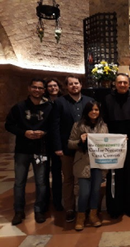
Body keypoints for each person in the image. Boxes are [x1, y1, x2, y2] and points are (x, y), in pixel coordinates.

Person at [5, 78, 53, 225]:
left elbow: (53, 126)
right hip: (23, 149)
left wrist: (44, 133)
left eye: (40, 88)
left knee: (41, 182)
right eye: (34, 87)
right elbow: (9, 125)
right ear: (29, 89)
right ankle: (18, 211)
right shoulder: (19, 107)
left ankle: (38, 210)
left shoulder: (49, 107)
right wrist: (23, 132)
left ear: (44, 90)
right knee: (19, 182)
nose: (37, 90)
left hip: (41, 149)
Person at [103, 73, 130, 219]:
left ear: (128, 84)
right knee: (115, 175)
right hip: (113, 143)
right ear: (115, 83)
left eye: (125, 83)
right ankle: (115, 208)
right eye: (119, 82)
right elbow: (104, 122)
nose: (122, 85)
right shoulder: (108, 100)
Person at [52, 75, 93, 223]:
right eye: (71, 84)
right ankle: (69, 208)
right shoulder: (59, 102)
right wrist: (58, 147)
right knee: (68, 179)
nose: (74, 86)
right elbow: (55, 126)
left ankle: (85, 206)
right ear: (66, 86)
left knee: (85, 178)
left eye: (76, 83)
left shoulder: (89, 101)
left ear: (81, 85)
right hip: (67, 147)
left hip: (86, 148)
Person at [68, 101, 108, 231]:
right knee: (84, 192)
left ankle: (93, 215)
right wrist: (80, 141)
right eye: (92, 109)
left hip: (98, 163)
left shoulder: (103, 126)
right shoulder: (78, 125)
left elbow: (108, 142)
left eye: (96, 109)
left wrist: (119, 141)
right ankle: (81, 216)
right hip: (83, 162)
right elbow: (70, 143)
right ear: (87, 111)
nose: (94, 112)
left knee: (96, 191)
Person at [44, 78, 63, 211]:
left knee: (57, 172)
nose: (52, 88)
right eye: (49, 86)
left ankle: (58, 199)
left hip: (59, 140)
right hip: (44, 141)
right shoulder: (43, 103)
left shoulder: (63, 101)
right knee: (44, 173)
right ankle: (45, 199)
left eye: (55, 85)